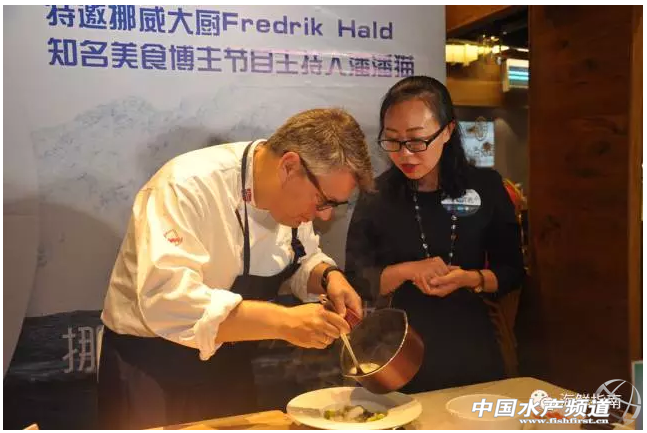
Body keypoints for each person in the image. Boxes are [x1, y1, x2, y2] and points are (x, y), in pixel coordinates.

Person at [98, 108, 374, 429]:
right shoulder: (184, 186)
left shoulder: (293, 201)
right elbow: (167, 300)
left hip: (230, 366)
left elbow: (300, 256)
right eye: (323, 201)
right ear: (289, 166)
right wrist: (285, 322)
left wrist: (328, 277)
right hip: (153, 368)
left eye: (334, 206)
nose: (324, 216)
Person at [345, 76, 525, 393]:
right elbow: (356, 279)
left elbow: (511, 272)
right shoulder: (377, 194)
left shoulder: (485, 187)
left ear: (448, 131)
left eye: (417, 141)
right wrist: (407, 270)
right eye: (393, 140)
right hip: (399, 349)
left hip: (472, 347)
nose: (405, 154)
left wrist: (470, 278)